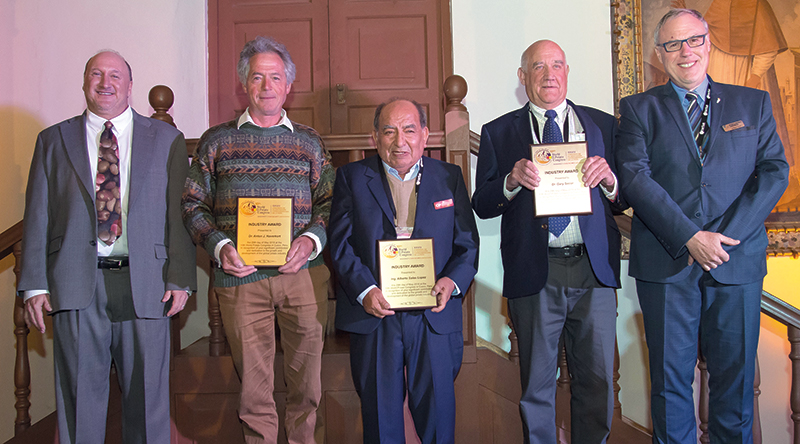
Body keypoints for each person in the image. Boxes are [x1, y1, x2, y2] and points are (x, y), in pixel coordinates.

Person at [615, 9, 789, 443]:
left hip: (736, 260)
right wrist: (691, 237)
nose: (685, 51)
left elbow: (774, 172)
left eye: (693, 40)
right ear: (660, 54)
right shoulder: (638, 109)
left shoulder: (753, 103)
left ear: (708, 43)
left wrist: (723, 238)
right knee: (670, 385)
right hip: (667, 263)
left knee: (735, 385)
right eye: (673, 44)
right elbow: (635, 178)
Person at [16, 50, 196, 443]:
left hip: (148, 283)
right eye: (96, 74)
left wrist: (181, 277)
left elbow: (178, 215)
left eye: (115, 75)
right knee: (79, 405)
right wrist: (34, 283)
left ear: (129, 86)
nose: (105, 82)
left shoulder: (166, 139)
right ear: (85, 83)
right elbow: (38, 213)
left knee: (148, 405)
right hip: (76, 284)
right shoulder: (53, 140)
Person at [472, 40, 625, 444]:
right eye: (538, 67)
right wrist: (510, 180)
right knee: (537, 389)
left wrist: (610, 179)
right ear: (523, 77)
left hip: (593, 270)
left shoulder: (603, 125)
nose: (549, 74)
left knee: (597, 383)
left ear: (567, 72)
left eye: (556, 65)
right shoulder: (499, 132)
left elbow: (624, 197)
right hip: (536, 271)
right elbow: (482, 204)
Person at [182, 35, 333, 444]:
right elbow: (192, 204)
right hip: (240, 280)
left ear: (289, 85)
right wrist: (219, 246)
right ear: (244, 83)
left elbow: (329, 202)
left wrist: (311, 241)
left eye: (275, 77)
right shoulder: (216, 141)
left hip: (302, 277)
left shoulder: (309, 141)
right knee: (254, 394)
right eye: (257, 77)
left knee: (308, 389)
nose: (267, 86)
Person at [329, 98, 479, 443]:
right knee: (381, 420)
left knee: (439, 417)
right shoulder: (352, 178)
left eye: (409, 130)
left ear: (425, 135)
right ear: (375, 137)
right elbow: (340, 244)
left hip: (433, 314)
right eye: (389, 131)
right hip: (376, 313)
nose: (400, 141)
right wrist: (365, 290)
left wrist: (451, 281)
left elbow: (468, 243)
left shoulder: (449, 177)